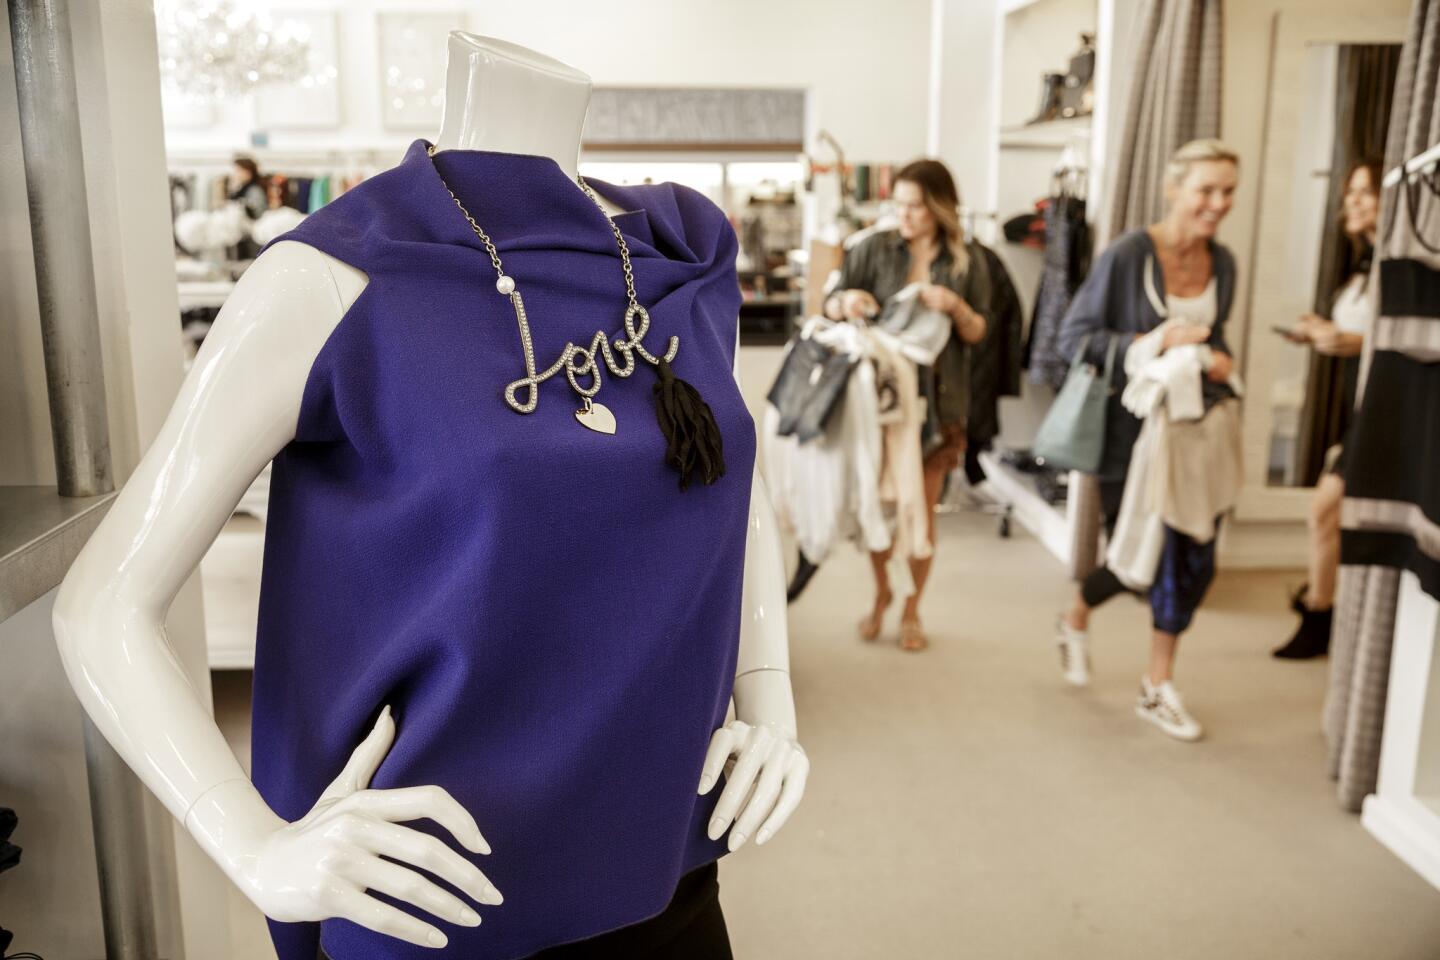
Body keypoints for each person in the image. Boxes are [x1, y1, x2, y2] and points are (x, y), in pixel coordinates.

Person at [1052, 139, 1242, 741]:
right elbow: (1072, 337)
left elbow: (1220, 341)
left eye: (1228, 191)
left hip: (1197, 434)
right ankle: (1077, 612)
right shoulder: (1129, 255)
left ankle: (1157, 684)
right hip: (1126, 437)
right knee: (1136, 561)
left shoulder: (1225, 264)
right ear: (1173, 189)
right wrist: (1155, 342)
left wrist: (1217, 360)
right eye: (1206, 189)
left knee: (1191, 558)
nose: (1218, 203)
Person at [824, 159, 988, 652]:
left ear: (941, 207)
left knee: (921, 512)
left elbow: (979, 333)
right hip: (881, 403)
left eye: (917, 206)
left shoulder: (966, 260)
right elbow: (827, 304)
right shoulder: (874, 247)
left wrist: (955, 307)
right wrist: (847, 302)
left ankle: (912, 610)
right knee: (882, 507)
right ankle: (882, 596)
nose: (906, 215)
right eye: (900, 204)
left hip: (939, 406)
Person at [1273, 158, 1380, 659]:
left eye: (1365, 192)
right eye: (1350, 193)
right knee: (1329, 515)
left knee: (1325, 510)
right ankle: (1323, 612)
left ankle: (1322, 613)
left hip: (1383, 407)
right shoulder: (1364, 266)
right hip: (1358, 403)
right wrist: (1322, 333)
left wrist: (1352, 339)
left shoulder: (1406, 266)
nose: (1352, 202)